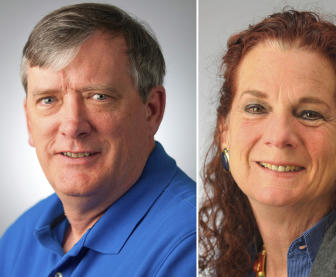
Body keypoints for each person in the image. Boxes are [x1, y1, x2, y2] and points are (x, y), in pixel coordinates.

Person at [0, 3, 195, 276]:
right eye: (48, 100)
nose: (72, 126)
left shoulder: (191, 245)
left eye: (99, 97)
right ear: (29, 121)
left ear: (151, 110)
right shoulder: (17, 240)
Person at [197, 10, 336, 277]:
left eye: (309, 114)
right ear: (224, 132)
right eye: (256, 108)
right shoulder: (240, 263)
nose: (279, 136)